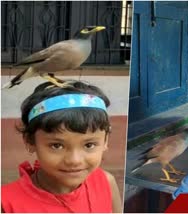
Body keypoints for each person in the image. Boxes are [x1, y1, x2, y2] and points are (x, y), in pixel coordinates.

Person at [1, 81, 122, 213]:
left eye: (89, 145)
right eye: (57, 146)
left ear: (105, 141)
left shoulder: (106, 182)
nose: (74, 160)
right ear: (30, 142)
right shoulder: (6, 203)